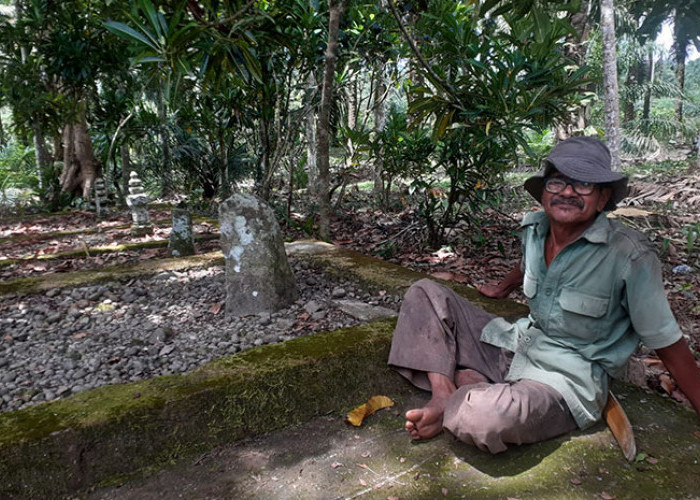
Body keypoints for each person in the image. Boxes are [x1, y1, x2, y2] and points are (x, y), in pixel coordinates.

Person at [388, 136, 700, 454]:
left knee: (484, 417)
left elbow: (667, 342)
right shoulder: (536, 229)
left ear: (603, 196)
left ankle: (467, 392)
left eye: (582, 185)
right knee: (424, 293)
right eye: (557, 182)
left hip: (565, 379)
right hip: (519, 345)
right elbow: (528, 266)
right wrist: (502, 288)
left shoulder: (630, 257)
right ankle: (444, 394)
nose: (567, 192)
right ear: (544, 192)